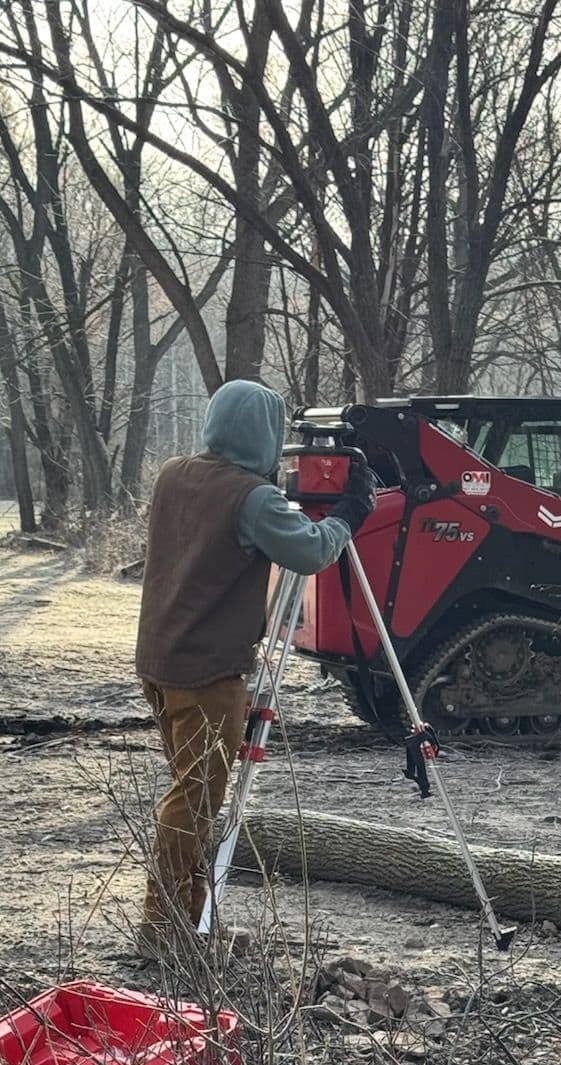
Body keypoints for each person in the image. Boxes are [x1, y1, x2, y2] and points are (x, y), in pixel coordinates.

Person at [134, 378, 374, 963]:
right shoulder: (252, 499)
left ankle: (185, 922)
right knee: (195, 799)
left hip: (160, 659)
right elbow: (312, 552)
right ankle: (162, 929)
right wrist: (350, 514)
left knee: (192, 793)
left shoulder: (174, 474)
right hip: (209, 672)